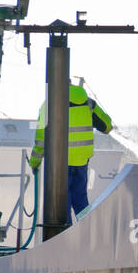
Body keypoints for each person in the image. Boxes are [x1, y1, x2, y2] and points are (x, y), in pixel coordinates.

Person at [30, 82, 112, 223]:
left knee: (62, 205)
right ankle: (88, 232)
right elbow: (107, 126)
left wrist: (35, 162)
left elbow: (41, 139)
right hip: (81, 161)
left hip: (60, 162)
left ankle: (65, 237)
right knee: (81, 202)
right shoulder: (88, 103)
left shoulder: (49, 105)